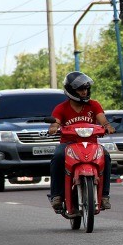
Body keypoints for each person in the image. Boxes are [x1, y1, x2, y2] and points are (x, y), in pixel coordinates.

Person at [48, 71, 115, 211]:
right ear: (71, 91)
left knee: (106, 156)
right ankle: (57, 195)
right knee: (58, 156)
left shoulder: (94, 105)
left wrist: (107, 126)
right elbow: (56, 122)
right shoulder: (61, 108)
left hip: (91, 145)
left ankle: (104, 196)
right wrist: (54, 127)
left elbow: (102, 119)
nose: (84, 92)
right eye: (80, 89)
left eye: (86, 89)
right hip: (68, 145)